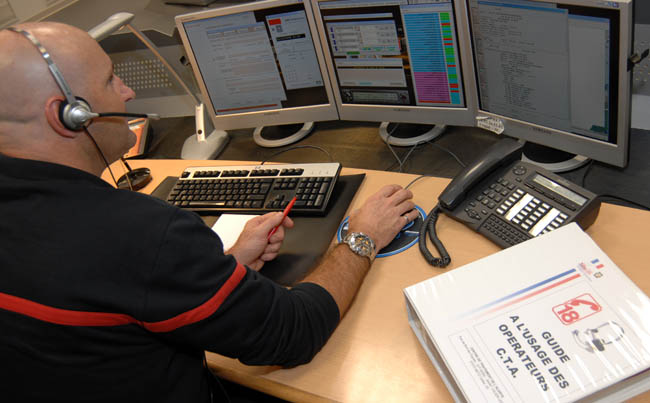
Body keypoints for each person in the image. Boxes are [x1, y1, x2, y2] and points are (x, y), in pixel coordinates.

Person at [0, 22, 418, 402]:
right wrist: (361, 238)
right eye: (111, 79)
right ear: (70, 115)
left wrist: (226, 266)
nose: (127, 92)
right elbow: (294, 332)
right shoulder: (138, 234)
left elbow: (114, 292)